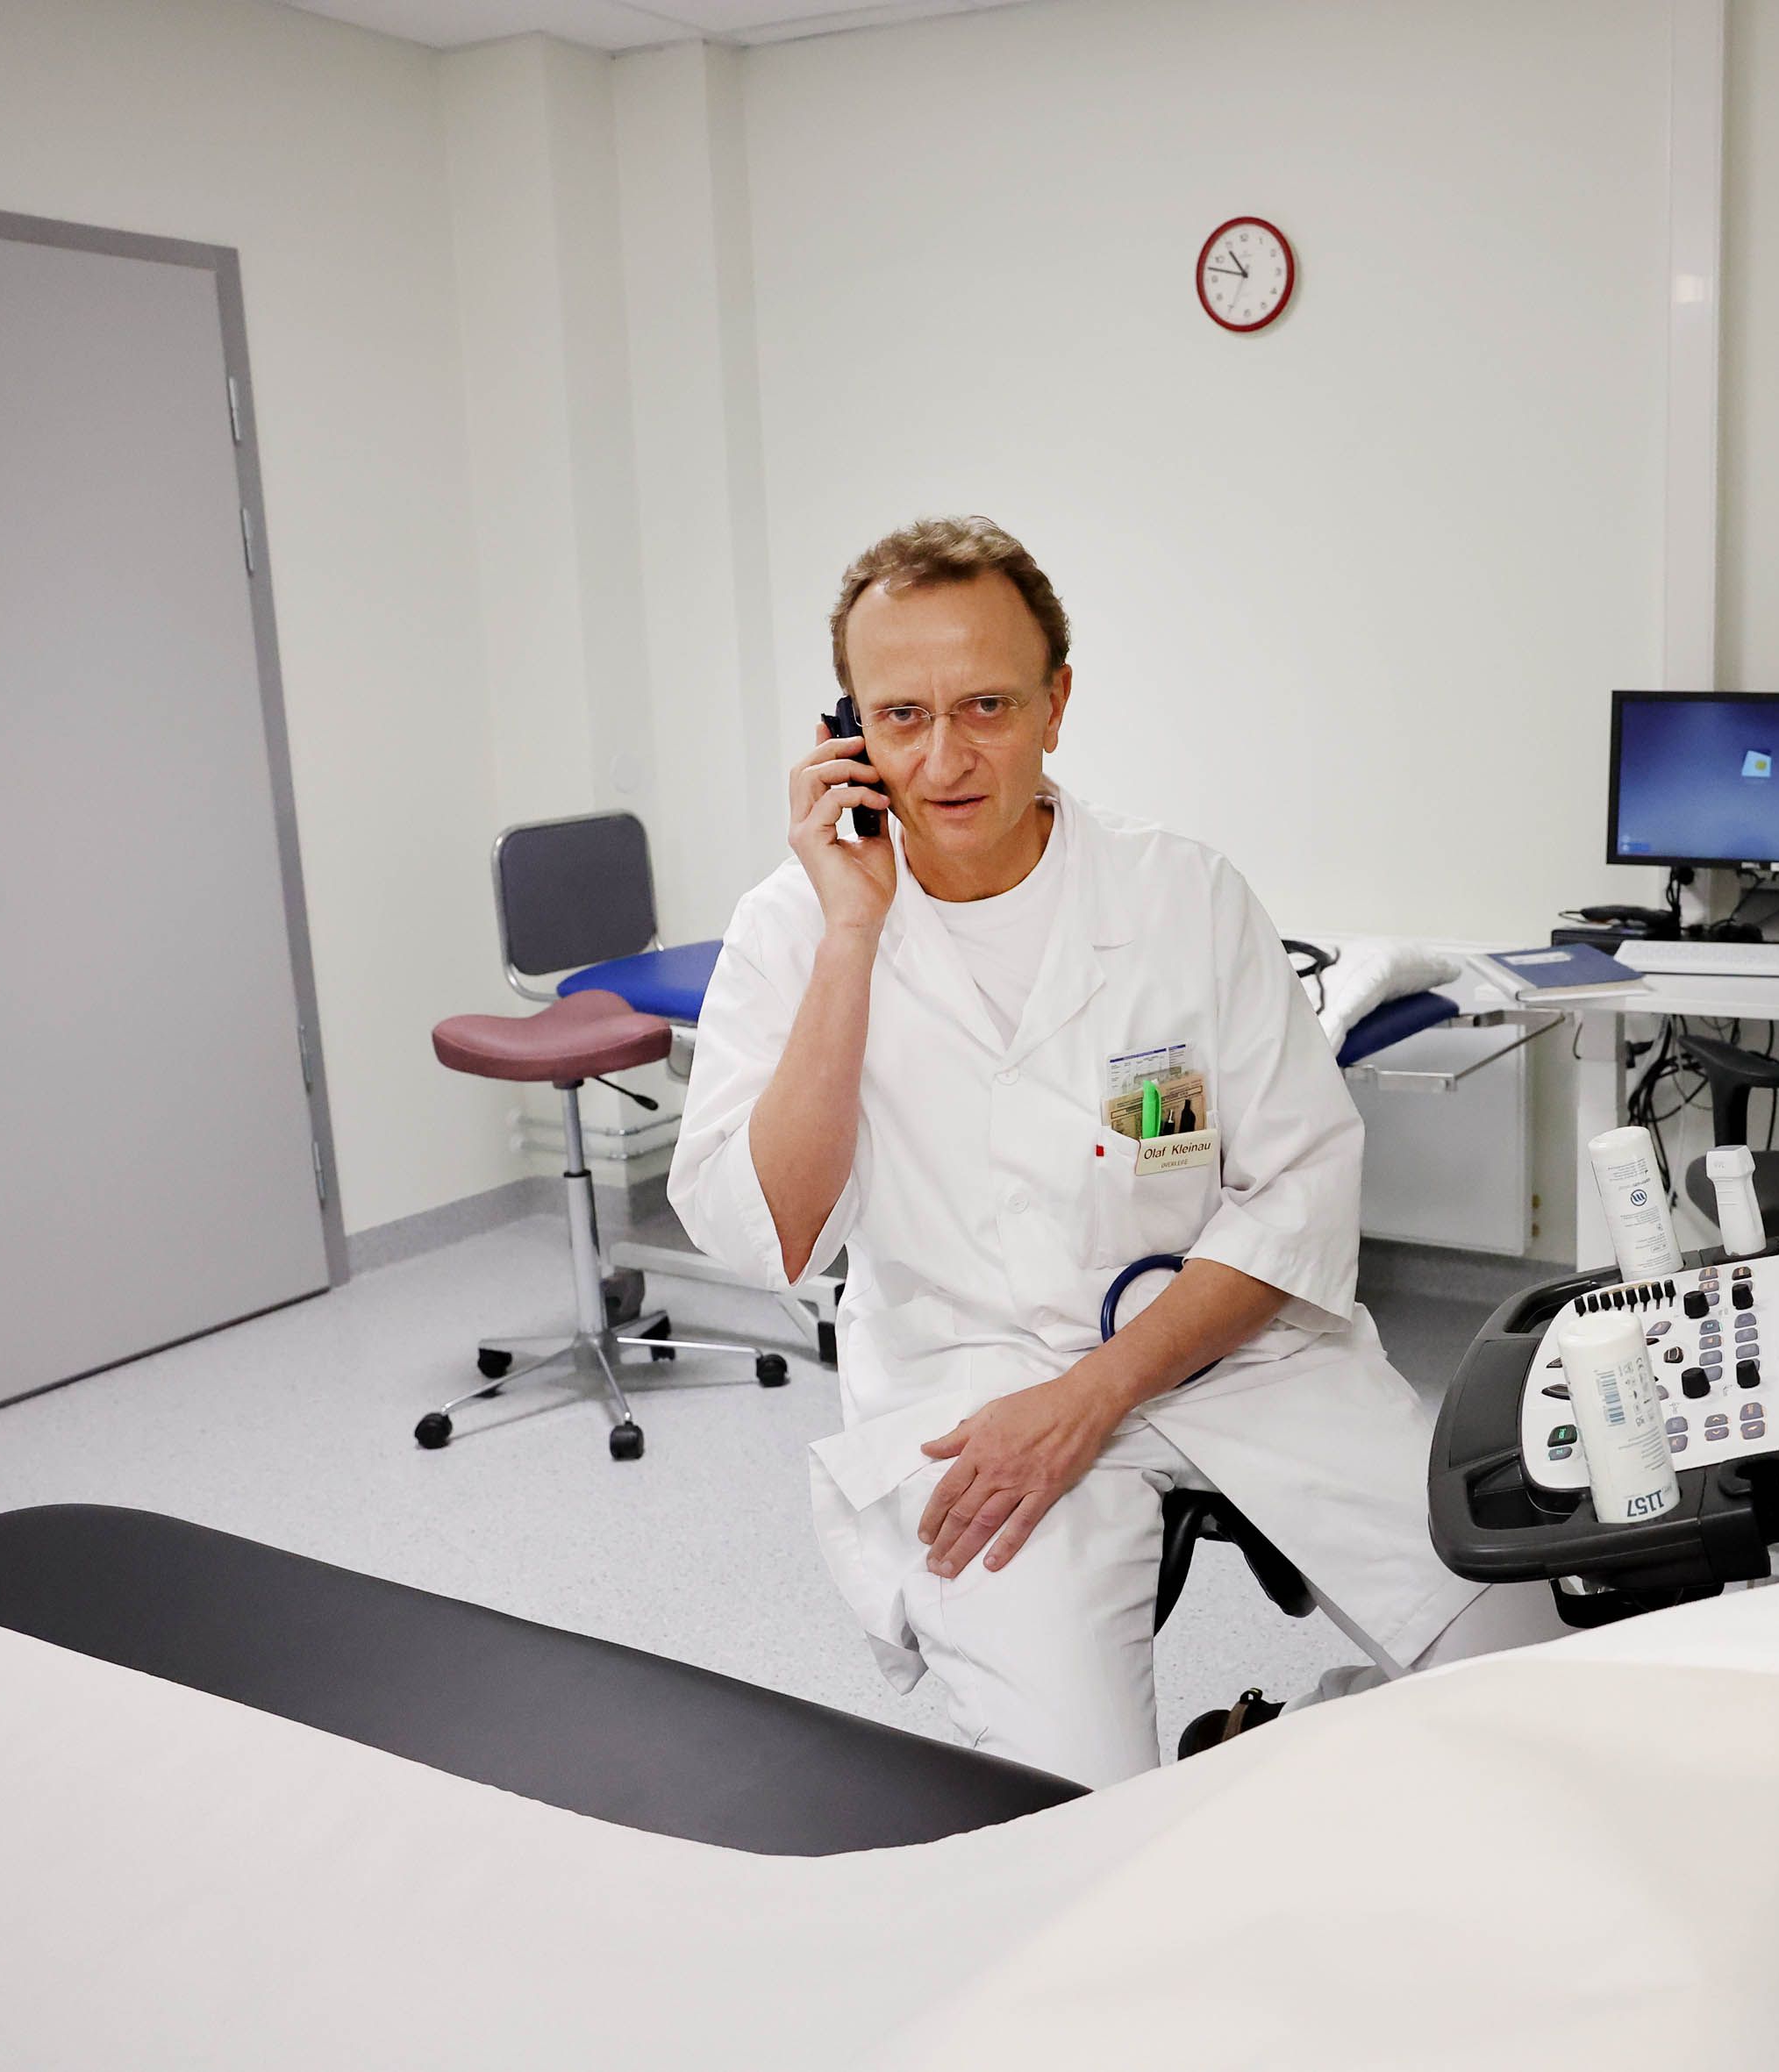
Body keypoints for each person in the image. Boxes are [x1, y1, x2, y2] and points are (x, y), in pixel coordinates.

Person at [670, 516, 1563, 1785]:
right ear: (847, 732)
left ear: (1057, 703)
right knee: (1078, 1808)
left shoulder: (1181, 897)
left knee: (1538, 1658)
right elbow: (772, 1234)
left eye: (986, 705)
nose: (944, 758)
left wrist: (1094, 1394)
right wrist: (853, 936)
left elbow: (1298, 1190)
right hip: (969, 1392)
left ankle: (1280, 1749)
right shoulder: (792, 929)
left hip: (1229, 1353)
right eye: (900, 716)